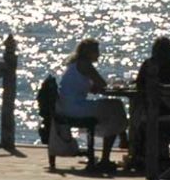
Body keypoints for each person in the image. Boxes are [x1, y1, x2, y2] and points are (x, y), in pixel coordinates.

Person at [52, 38, 126, 170]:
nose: (99, 54)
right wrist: (114, 85)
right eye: (96, 51)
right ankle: (111, 152)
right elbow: (102, 84)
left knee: (114, 106)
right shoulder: (86, 64)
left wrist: (96, 88)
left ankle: (122, 139)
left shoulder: (75, 65)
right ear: (89, 53)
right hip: (76, 108)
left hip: (66, 106)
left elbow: (89, 87)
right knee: (116, 107)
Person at [129, 37, 170, 170]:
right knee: (146, 119)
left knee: (138, 116)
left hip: (156, 114)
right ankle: (158, 158)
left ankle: (138, 155)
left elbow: (139, 87)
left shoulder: (149, 65)